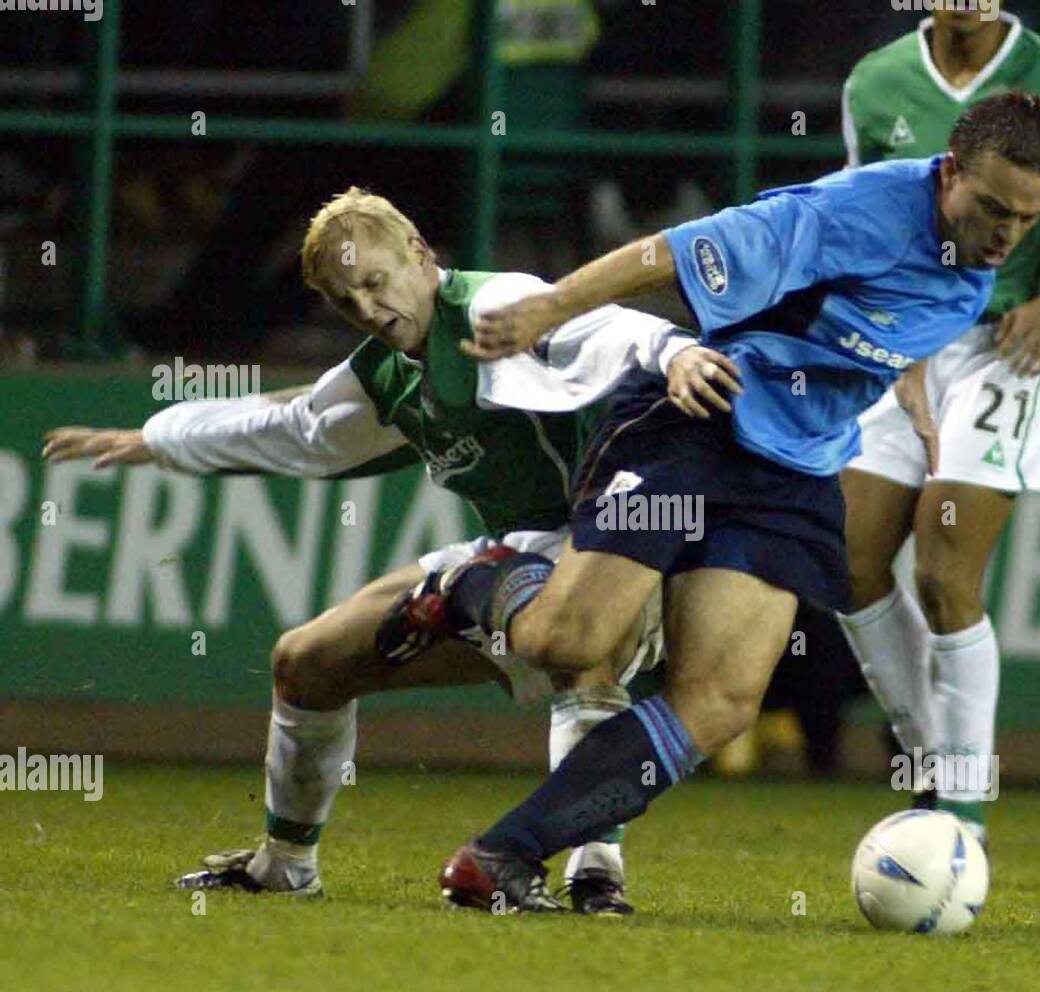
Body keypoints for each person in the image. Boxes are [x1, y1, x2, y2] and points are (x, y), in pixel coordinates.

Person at [408, 92, 1040, 911]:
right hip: (696, 420)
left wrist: (911, 391)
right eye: (994, 207)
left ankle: (500, 855)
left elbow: (883, 321)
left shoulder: (971, 269)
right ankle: (467, 582)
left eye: (1029, 218)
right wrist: (551, 304)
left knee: (719, 703)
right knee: (569, 640)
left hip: (790, 476)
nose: (1007, 232)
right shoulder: (849, 213)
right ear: (949, 173)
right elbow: (671, 250)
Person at [41, 187, 732, 915]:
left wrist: (677, 351)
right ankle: (285, 863)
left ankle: (597, 872)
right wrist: (155, 440)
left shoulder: (497, 305)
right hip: (513, 562)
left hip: (623, 555)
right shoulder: (386, 373)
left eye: (374, 282)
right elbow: (297, 425)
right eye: (347, 302)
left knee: (575, 644)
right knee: (305, 661)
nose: (368, 309)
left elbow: (604, 327)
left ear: (421, 256)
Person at [837, 7, 1040, 844]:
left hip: (1009, 345)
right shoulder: (874, 84)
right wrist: (892, 342)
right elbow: (873, 218)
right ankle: (935, 765)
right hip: (905, 338)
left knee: (945, 570)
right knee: (850, 558)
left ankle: (962, 813)